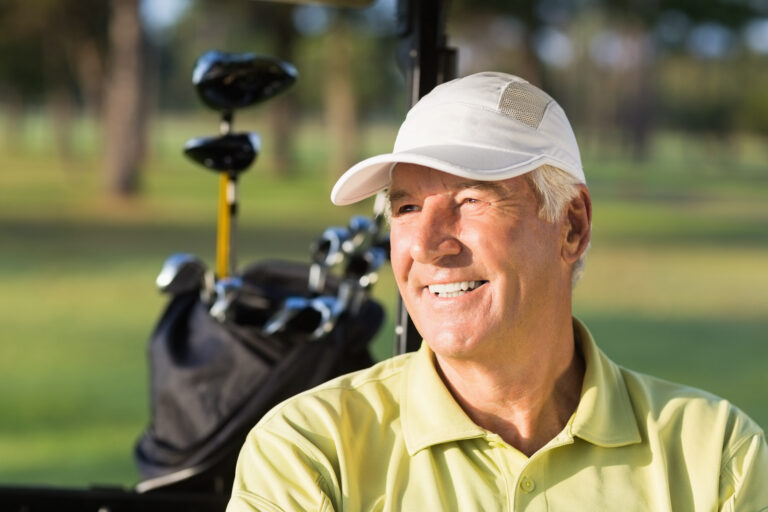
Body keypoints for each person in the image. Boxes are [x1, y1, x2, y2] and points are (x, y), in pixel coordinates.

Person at [226, 72, 768, 511]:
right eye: (406, 207)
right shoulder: (309, 450)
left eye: (470, 199)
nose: (429, 244)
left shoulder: (715, 454)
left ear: (572, 225)